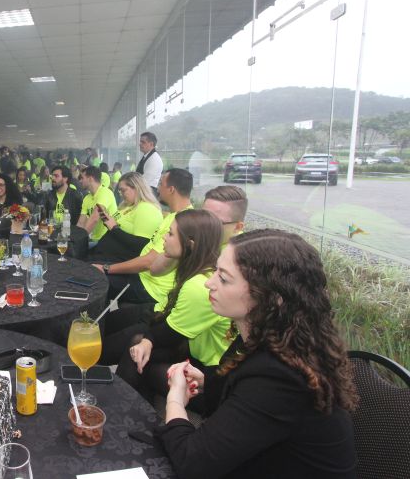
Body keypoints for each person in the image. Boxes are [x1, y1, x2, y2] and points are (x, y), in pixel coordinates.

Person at [156, 229, 358, 478]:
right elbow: (242, 390)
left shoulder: (279, 377)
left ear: (269, 297)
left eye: (224, 278)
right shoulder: (273, 338)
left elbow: (191, 463)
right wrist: (208, 380)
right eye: (215, 271)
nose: (209, 283)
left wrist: (175, 399)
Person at [117, 210, 231, 407]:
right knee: (138, 349)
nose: (163, 237)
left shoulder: (200, 285)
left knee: (138, 356)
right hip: (196, 354)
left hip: (213, 375)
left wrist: (147, 341)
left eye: (170, 234)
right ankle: (131, 412)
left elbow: (168, 332)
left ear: (190, 244)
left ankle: (122, 409)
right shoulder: (199, 267)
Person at [93, 168, 193, 335]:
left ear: (171, 189)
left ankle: (90, 330)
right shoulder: (174, 216)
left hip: (150, 287)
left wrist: (107, 268)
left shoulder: (181, 221)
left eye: (160, 184)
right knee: (94, 273)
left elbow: (149, 261)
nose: (157, 188)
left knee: (95, 279)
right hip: (144, 277)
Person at [90, 172, 163, 262]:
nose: (121, 194)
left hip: (115, 262)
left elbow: (141, 246)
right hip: (104, 255)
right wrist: (108, 222)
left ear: (137, 188)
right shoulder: (128, 206)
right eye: (120, 191)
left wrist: (114, 228)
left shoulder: (147, 208)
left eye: (123, 190)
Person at [77, 165, 117, 245]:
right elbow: (81, 223)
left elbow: (94, 218)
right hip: (94, 240)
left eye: (82, 178)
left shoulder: (105, 192)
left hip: (107, 240)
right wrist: (75, 237)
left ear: (90, 179)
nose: (80, 181)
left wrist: (78, 240)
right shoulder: (87, 198)